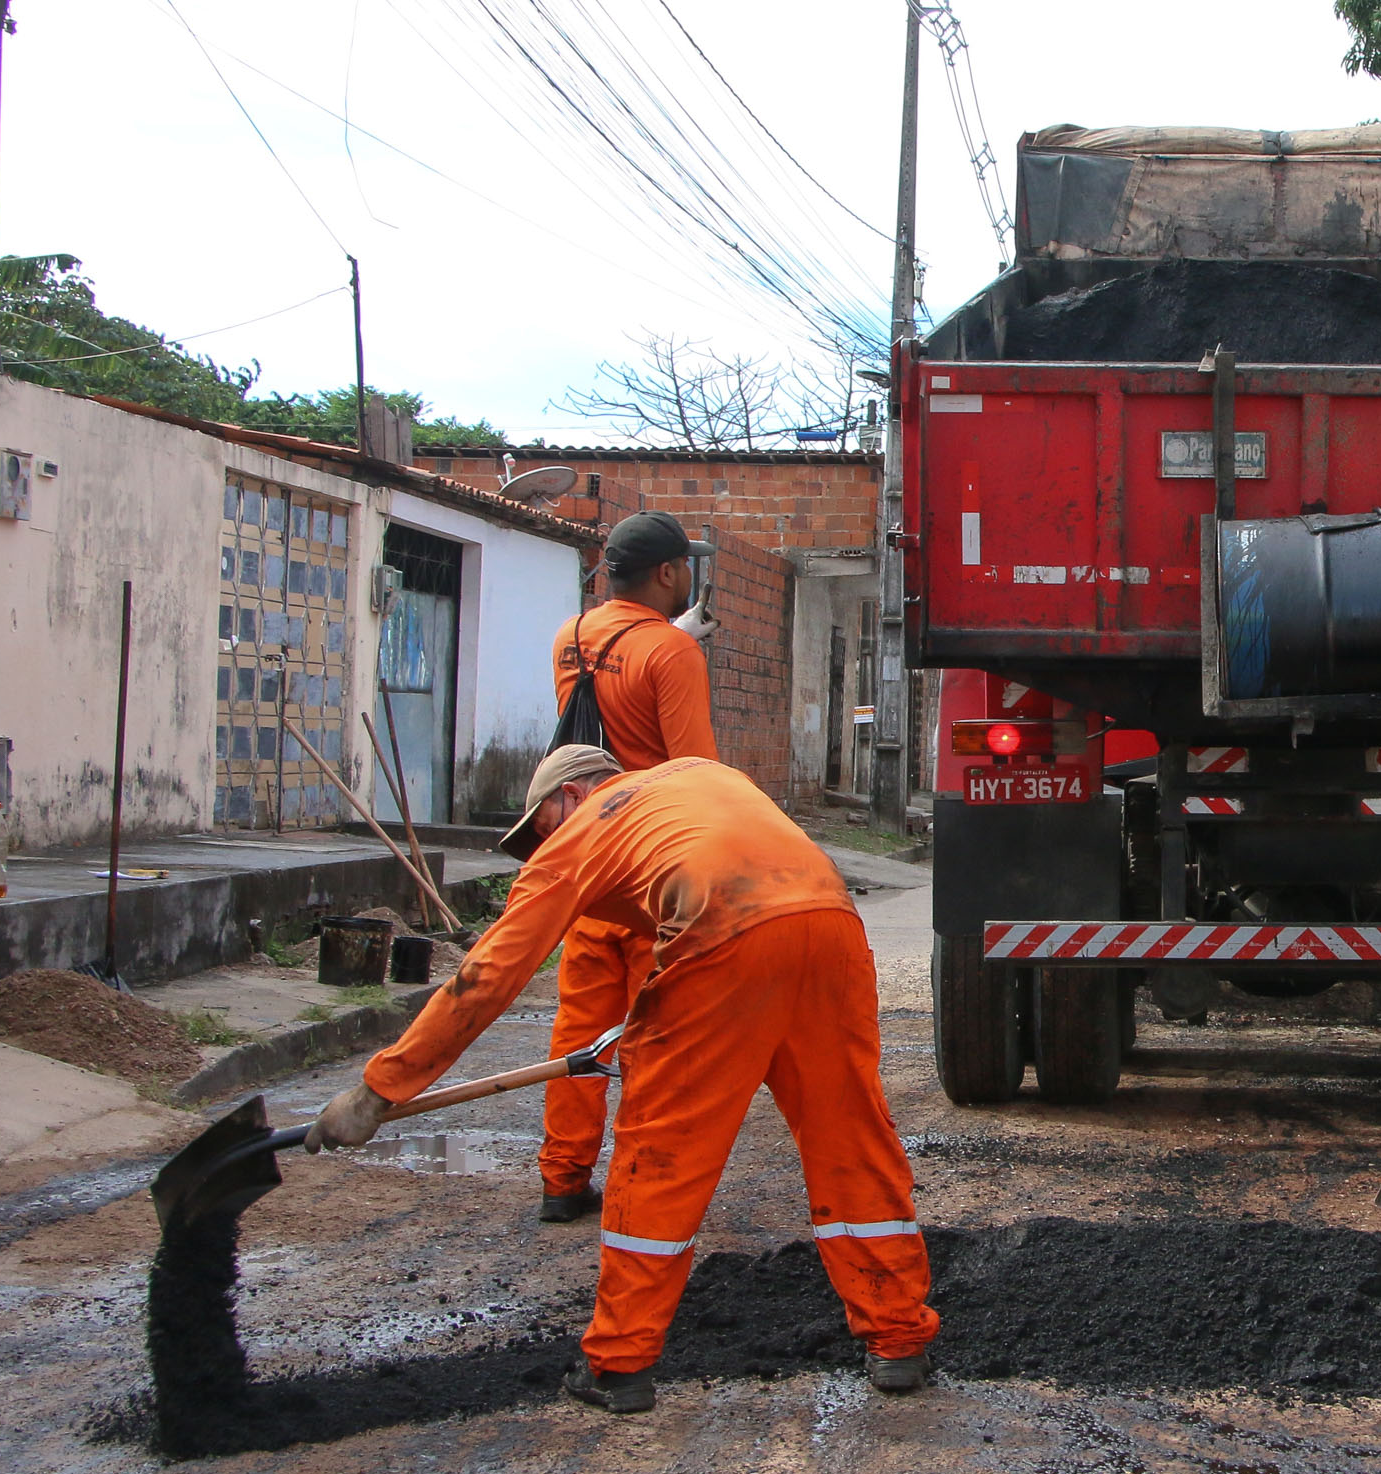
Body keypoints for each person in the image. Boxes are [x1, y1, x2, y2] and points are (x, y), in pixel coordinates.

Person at [304, 745, 939, 1410]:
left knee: (662, 1149)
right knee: (850, 1137)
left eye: (540, 825)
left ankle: (619, 1360)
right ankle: (898, 1339)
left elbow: (488, 975)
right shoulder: (701, 776)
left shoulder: (588, 826)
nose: (542, 843)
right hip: (830, 924)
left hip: (722, 931)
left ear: (572, 796)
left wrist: (379, 1090)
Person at [533, 511, 723, 1225]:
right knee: (657, 1035)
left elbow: (610, 693)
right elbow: (696, 774)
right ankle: (643, 1184)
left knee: (580, 1027)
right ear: (670, 573)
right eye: (685, 570)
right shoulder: (672, 657)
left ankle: (561, 1177)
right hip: (653, 870)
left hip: (587, 856)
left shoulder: (569, 637)